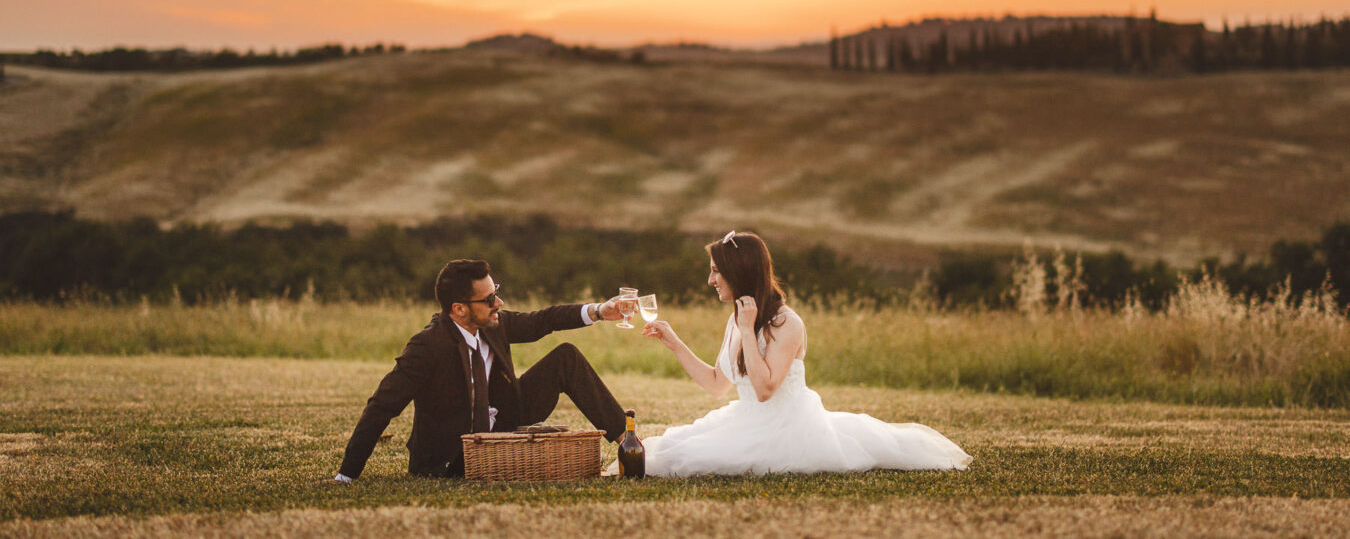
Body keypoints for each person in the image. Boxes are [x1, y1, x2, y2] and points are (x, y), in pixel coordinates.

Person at [636, 231, 972, 476]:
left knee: (693, 459)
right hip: (747, 418)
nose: (710, 280)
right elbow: (715, 385)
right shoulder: (737, 318)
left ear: (739, 272)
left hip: (787, 429)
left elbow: (766, 390)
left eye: (715, 270)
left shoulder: (786, 323)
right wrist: (674, 342)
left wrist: (750, 329)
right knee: (668, 447)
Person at [334, 258, 630, 480]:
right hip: (452, 453)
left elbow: (543, 320)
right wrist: (346, 475)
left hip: (503, 423)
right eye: (489, 299)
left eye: (496, 292)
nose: (498, 303)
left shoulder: (493, 324)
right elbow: (381, 406)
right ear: (459, 309)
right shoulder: (428, 346)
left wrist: (599, 311)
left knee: (567, 357)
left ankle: (630, 447)